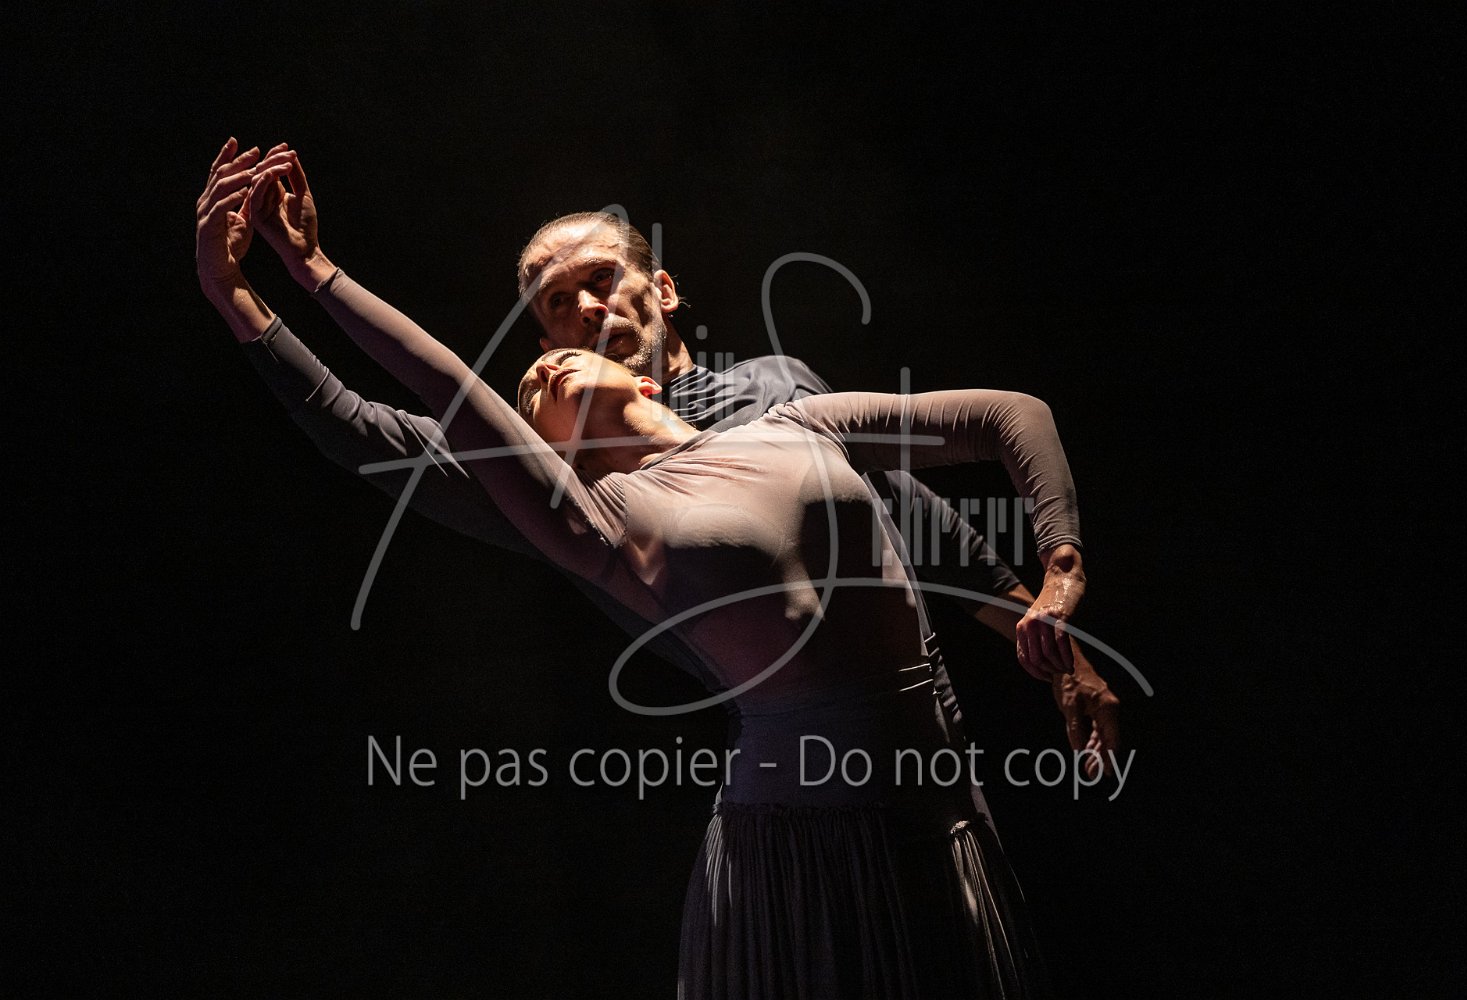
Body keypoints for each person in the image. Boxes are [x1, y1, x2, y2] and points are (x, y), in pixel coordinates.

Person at [196, 139, 1091, 997]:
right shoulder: (575, 498)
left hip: (934, 778)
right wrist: (258, 290)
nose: (582, 312)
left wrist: (1056, 631)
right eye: (554, 306)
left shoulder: (780, 397)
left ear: (660, 289)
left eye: (599, 281)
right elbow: (376, 423)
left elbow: (924, 514)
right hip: (794, 801)